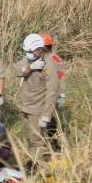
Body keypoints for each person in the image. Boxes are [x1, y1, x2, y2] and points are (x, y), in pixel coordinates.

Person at [13, 34, 60, 173]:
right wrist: (30, 68)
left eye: (31, 52)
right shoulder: (30, 58)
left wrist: (47, 114)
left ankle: (43, 171)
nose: (27, 55)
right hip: (27, 106)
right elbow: (16, 69)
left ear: (40, 50)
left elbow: (52, 91)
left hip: (39, 109)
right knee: (30, 138)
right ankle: (33, 164)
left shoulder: (49, 65)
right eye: (26, 52)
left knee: (38, 141)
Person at [40, 33, 67, 111]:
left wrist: (62, 96)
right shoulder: (56, 58)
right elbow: (62, 77)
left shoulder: (43, 60)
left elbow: (61, 77)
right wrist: (62, 95)